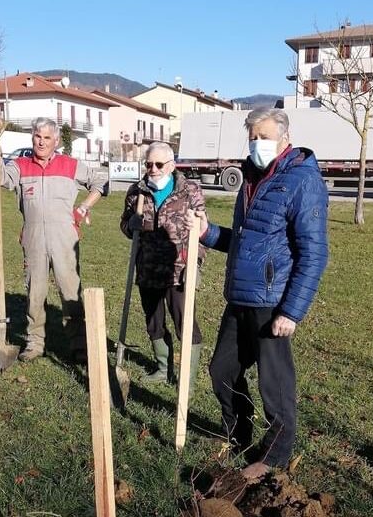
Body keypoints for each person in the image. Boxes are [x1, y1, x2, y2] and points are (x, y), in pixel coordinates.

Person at [191, 107, 329, 480]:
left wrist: (291, 312)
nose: (257, 143)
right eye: (252, 136)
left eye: (264, 136)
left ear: (284, 137)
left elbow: (314, 253)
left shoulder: (302, 180)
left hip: (273, 302)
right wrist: (208, 233)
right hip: (240, 297)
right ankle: (240, 437)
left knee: (275, 385)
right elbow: (246, 241)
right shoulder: (252, 177)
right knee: (222, 370)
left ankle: (274, 457)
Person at [0, 117, 108, 363]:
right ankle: (34, 343)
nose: (41, 142)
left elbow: (101, 183)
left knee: (70, 292)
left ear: (56, 141)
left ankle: (79, 346)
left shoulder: (70, 165)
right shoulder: (20, 165)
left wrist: (83, 208)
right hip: (33, 236)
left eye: (46, 138)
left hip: (65, 236)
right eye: (37, 137)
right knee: (35, 292)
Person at [120, 142, 206, 393]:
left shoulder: (189, 190)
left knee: (184, 322)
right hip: (147, 268)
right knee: (153, 321)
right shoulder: (137, 191)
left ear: (171, 165)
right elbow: (124, 225)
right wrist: (130, 225)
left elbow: (203, 230)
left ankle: (187, 378)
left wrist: (196, 263)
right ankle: (162, 368)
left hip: (179, 269)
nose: (153, 169)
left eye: (159, 164)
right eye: (148, 164)